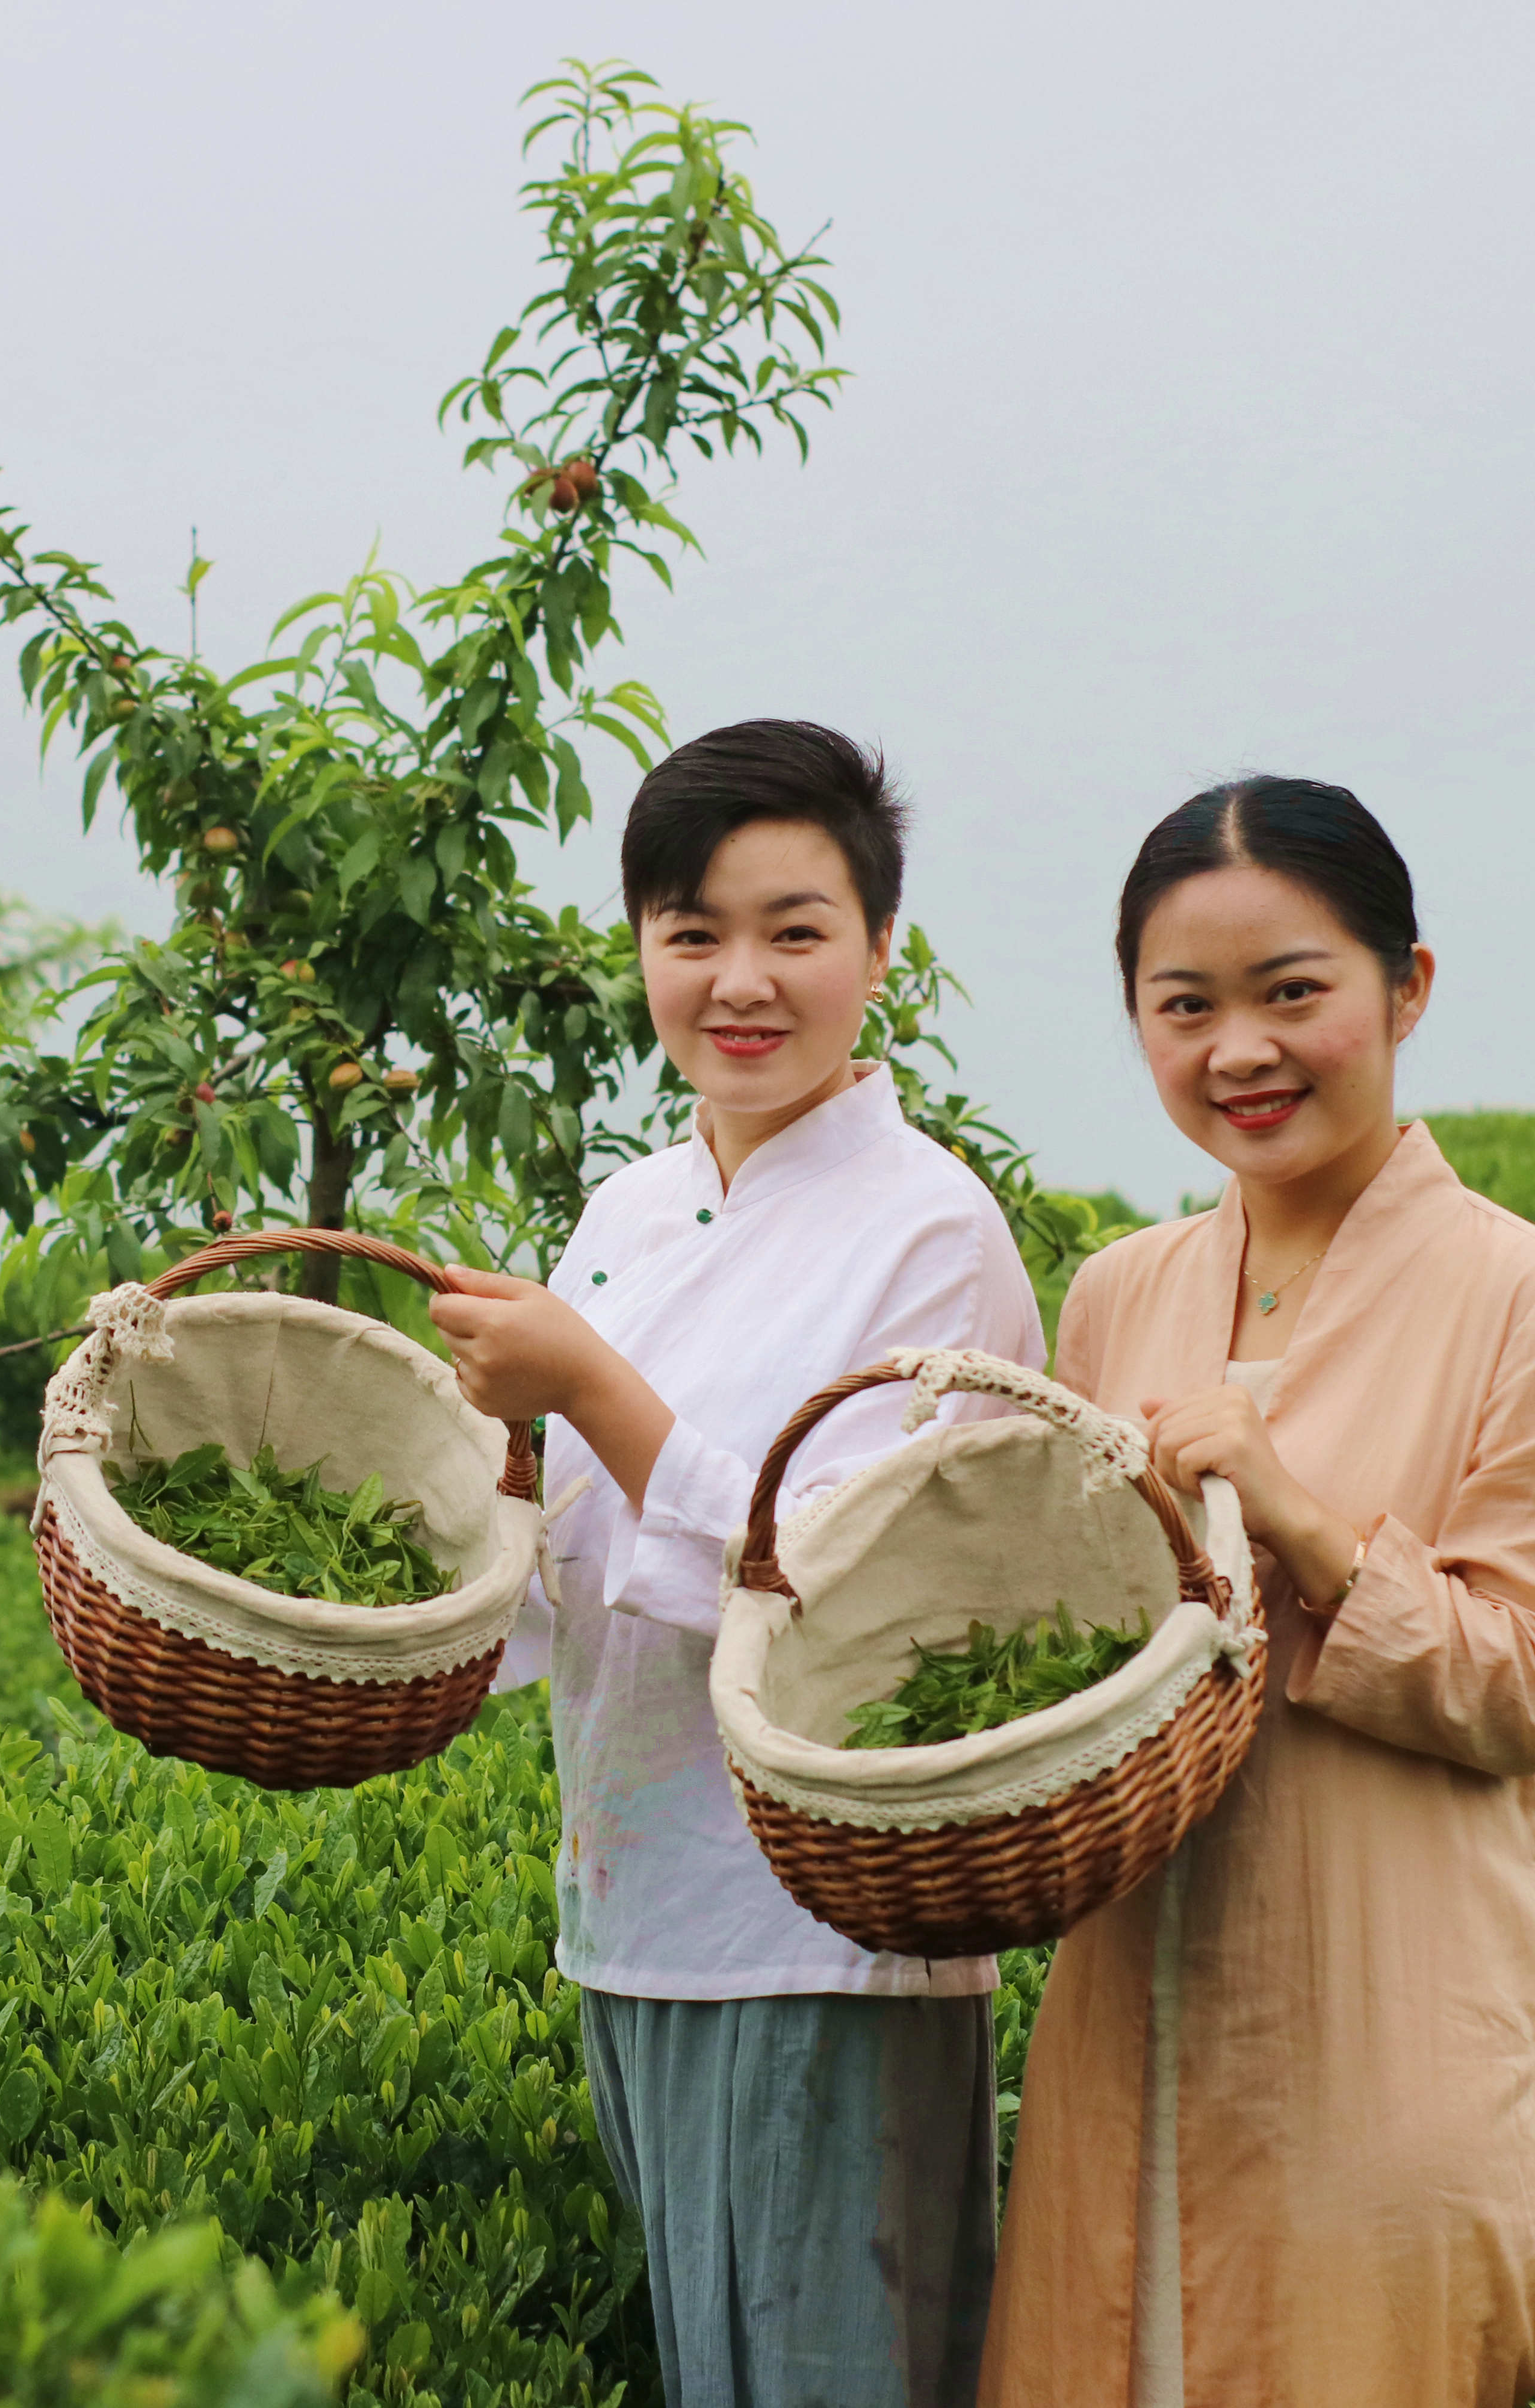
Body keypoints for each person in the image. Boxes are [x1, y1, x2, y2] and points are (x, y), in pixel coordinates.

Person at [979, 778, 1535, 2407]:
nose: (1241, 1052)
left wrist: (1306, 1527)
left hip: (1394, 2047)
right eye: (1185, 1006)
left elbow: (1534, 1686)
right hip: (1132, 2014)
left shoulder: (1533, 1306)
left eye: (1295, 992)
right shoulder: (1121, 1293)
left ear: (1405, 987)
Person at [431, 720, 1040, 2408]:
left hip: (829, 1932)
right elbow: (571, 1554)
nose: (739, 980)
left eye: (795, 930)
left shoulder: (929, 1225)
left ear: (881, 952)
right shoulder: (626, 1213)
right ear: (640, 950)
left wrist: (593, 1390)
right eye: (692, 933)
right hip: (635, 1908)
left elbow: (856, 1606)